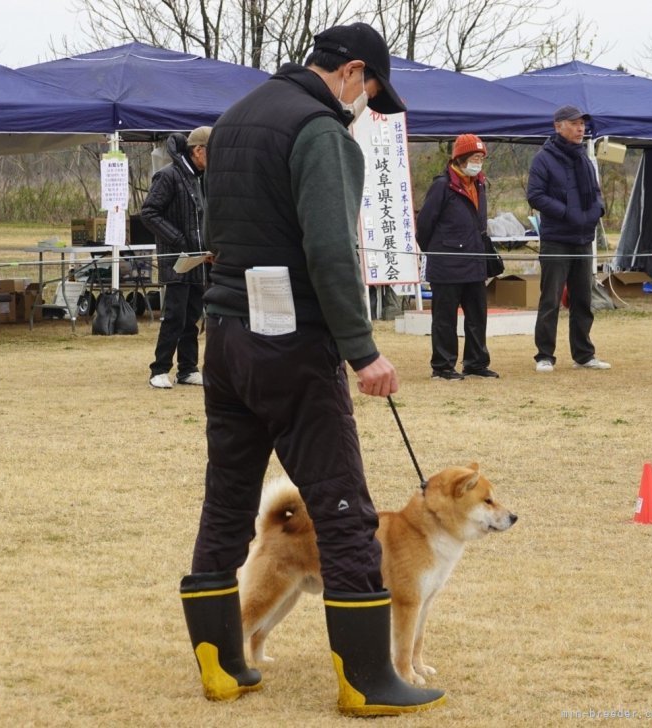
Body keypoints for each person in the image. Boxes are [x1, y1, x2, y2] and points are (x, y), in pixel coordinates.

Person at [179, 23, 445, 717]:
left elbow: (217, 232)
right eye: (371, 92)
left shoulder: (235, 119)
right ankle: (367, 681)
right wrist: (363, 349)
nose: (366, 106)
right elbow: (331, 249)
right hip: (293, 344)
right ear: (352, 72)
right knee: (344, 508)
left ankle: (221, 665)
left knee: (227, 501)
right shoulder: (320, 129)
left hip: (226, 337)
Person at [527, 105, 610, 372]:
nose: (580, 129)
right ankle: (544, 355)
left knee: (583, 298)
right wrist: (566, 213)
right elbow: (535, 196)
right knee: (550, 299)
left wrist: (598, 210)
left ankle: (584, 354)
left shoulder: (585, 158)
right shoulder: (543, 159)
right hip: (556, 238)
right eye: (574, 124)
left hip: (583, 238)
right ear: (558, 126)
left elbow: (596, 192)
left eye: (582, 124)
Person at [415, 134, 499, 381]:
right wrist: (437, 250)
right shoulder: (442, 185)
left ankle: (476, 363)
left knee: (477, 315)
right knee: (445, 318)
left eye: (481, 158)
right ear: (460, 158)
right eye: (474, 157)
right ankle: (442, 366)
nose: (479, 162)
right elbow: (425, 225)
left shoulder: (480, 184)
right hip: (447, 262)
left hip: (475, 259)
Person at [141, 126, 211, 388]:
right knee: (175, 316)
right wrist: (179, 240)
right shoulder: (168, 176)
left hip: (199, 260)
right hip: (177, 259)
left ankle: (188, 368)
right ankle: (159, 369)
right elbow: (149, 212)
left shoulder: (201, 179)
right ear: (198, 150)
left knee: (193, 315)